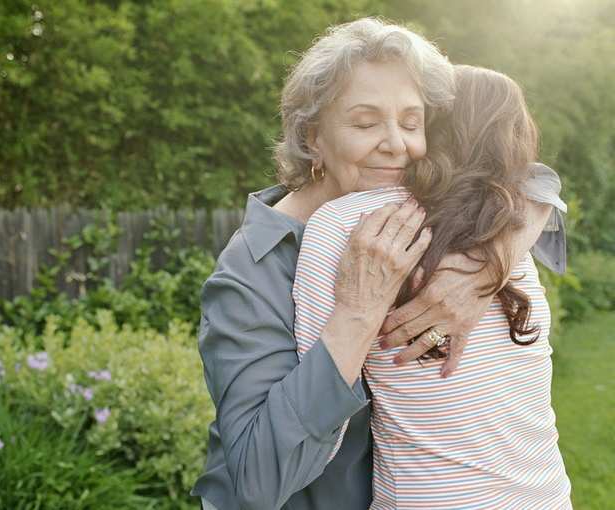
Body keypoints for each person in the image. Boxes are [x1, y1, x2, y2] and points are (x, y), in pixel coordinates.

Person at [192, 18, 567, 510]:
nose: (397, 144)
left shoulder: (415, 207)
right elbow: (254, 483)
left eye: (412, 123)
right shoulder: (252, 271)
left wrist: (485, 269)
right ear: (312, 137)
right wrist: (357, 314)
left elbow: (533, 181)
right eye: (366, 123)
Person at [294, 64, 571, 509]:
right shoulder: (512, 228)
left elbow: (312, 403)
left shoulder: (346, 224)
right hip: (546, 493)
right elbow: (540, 180)